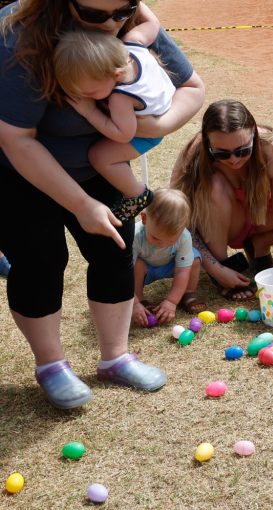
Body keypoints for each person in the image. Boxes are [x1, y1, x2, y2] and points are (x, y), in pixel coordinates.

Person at [0, 0, 205, 410]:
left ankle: (116, 357)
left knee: (116, 251)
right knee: (40, 260)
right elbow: (16, 139)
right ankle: (51, 365)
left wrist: (154, 124)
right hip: (19, 171)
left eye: (124, 9)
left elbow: (192, 88)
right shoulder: (18, 37)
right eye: (96, 15)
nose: (113, 23)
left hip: (101, 169)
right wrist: (81, 204)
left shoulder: (130, 25)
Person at [170, 100, 273, 301]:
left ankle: (258, 244)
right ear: (207, 143)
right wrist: (216, 269)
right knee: (215, 185)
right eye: (221, 153)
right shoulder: (194, 155)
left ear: (254, 135)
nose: (234, 159)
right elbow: (181, 225)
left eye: (242, 150)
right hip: (219, 226)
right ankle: (224, 263)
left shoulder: (271, 148)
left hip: (261, 217)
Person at [53, 27, 175, 218]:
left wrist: (90, 111)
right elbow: (152, 24)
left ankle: (137, 194)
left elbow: (123, 134)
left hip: (147, 134)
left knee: (100, 156)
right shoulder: (133, 44)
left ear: (117, 75)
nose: (85, 97)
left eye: (90, 92)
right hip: (167, 107)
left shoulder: (120, 98)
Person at [131, 188, 205, 326]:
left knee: (194, 259)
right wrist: (133, 303)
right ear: (144, 218)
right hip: (145, 270)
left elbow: (182, 271)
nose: (163, 244)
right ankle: (140, 300)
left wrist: (171, 301)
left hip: (170, 265)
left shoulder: (184, 236)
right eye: (156, 238)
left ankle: (188, 293)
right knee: (136, 265)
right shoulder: (134, 236)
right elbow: (124, 273)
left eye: (171, 241)